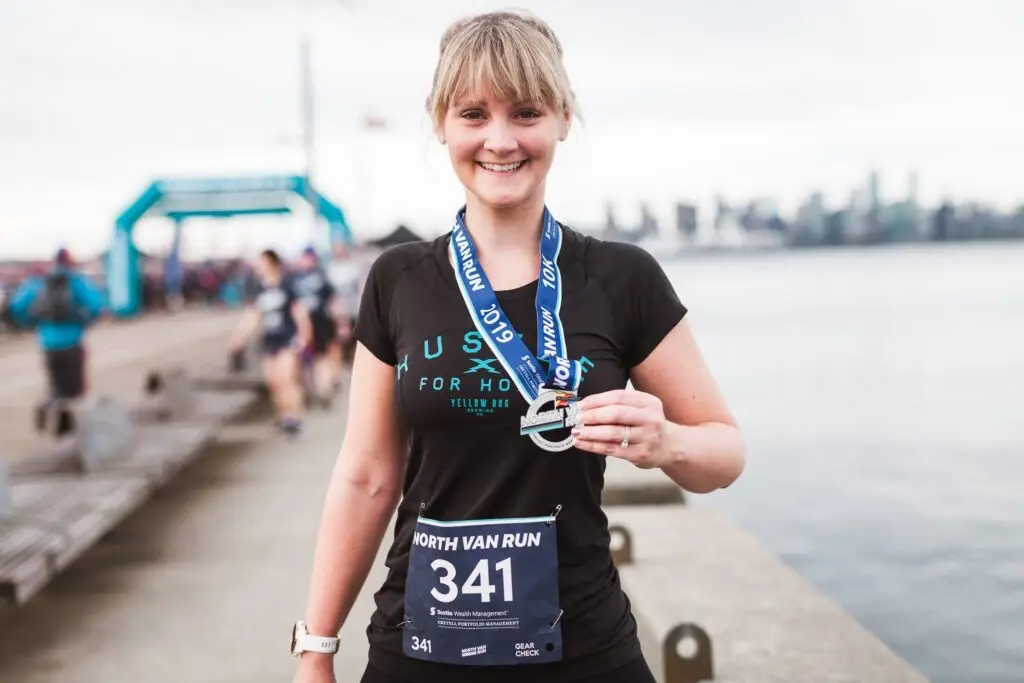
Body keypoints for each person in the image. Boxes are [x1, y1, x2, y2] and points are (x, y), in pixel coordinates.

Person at [290, 10, 746, 683]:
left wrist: (669, 443)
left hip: (584, 649)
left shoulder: (622, 278)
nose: (500, 140)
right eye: (473, 113)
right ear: (440, 120)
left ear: (563, 116)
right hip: (421, 649)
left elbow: (724, 452)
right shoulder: (398, 280)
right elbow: (366, 474)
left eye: (525, 112)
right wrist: (316, 647)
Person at [5, 248, 105, 437]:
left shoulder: (39, 282)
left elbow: (17, 306)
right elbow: (96, 305)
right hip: (73, 341)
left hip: (48, 343)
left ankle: (47, 405)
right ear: (70, 262)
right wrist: (85, 322)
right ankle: (68, 431)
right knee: (75, 390)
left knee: (56, 385)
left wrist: (30, 324)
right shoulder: (76, 281)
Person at [228, 248, 312, 437]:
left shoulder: (287, 285)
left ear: (272, 263)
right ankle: (283, 416)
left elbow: (300, 312)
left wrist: (303, 338)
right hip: (268, 342)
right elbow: (253, 316)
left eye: (261, 262)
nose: (258, 266)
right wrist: (238, 338)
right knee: (274, 382)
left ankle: (295, 418)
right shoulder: (258, 289)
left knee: (287, 379)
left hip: (287, 340)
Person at [292, 246, 345, 405]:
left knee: (321, 357)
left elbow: (333, 300)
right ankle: (311, 390)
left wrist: (341, 323)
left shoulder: (321, 276)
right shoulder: (293, 279)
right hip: (300, 325)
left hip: (320, 322)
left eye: (309, 258)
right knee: (304, 360)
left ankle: (323, 388)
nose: (306, 261)